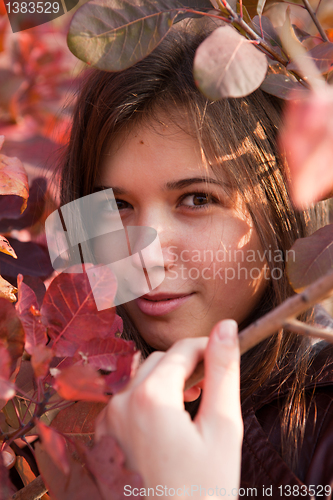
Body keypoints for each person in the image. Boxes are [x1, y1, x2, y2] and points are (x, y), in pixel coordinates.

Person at [59, 22, 333, 499]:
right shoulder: (56, 410)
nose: (145, 257)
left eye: (197, 199)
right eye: (117, 205)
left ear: (286, 208)